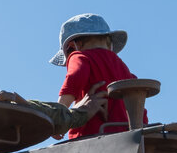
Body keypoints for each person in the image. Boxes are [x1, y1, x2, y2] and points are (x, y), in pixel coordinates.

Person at [50, 12, 146, 141]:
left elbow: (75, 78)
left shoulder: (79, 57)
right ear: (109, 43)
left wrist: (58, 118)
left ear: (73, 46)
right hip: (126, 140)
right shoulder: (125, 71)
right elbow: (139, 108)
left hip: (91, 139)